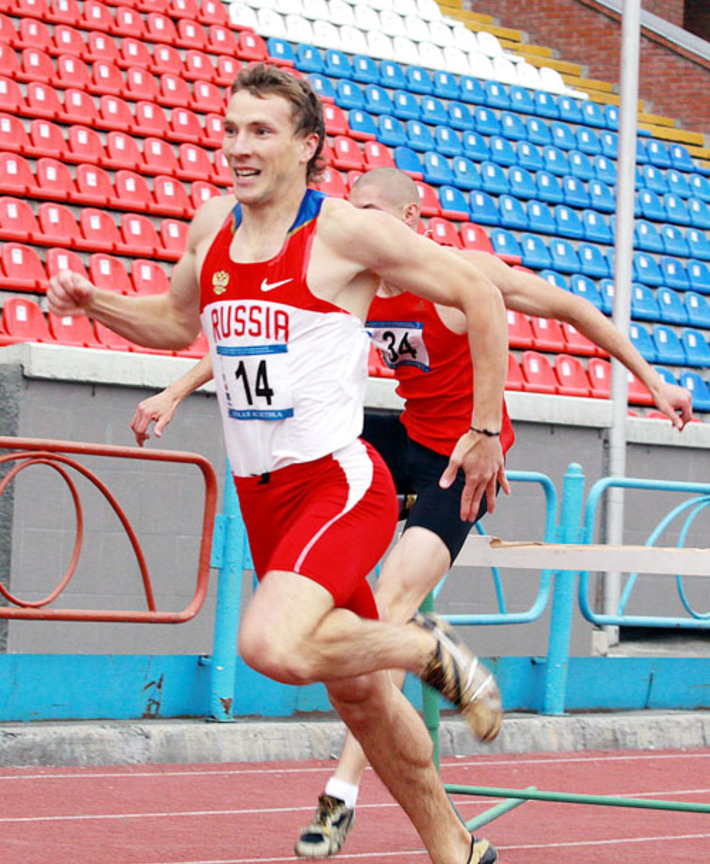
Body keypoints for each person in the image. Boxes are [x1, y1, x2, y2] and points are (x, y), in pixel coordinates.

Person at [129, 165, 694, 859]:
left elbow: (572, 311)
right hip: (402, 432)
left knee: (393, 598)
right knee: (315, 455)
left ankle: (342, 790)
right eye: (351, 208)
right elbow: (256, 342)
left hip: (462, 453)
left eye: (372, 210)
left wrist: (652, 380)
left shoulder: (456, 273)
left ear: (413, 222)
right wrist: (176, 390)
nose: (357, 220)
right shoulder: (352, 269)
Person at [48, 64, 513, 864]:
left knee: (270, 645)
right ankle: (456, 850)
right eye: (230, 130)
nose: (237, 147)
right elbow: (173, 323)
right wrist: (98, 304)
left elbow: (484, 298)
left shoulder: (343, 231)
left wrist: (482, 430)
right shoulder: (212, 227)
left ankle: (421, 647)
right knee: (360, 697)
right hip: (262, 498)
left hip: (336, 483)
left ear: (307, 147)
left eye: (260, 131)